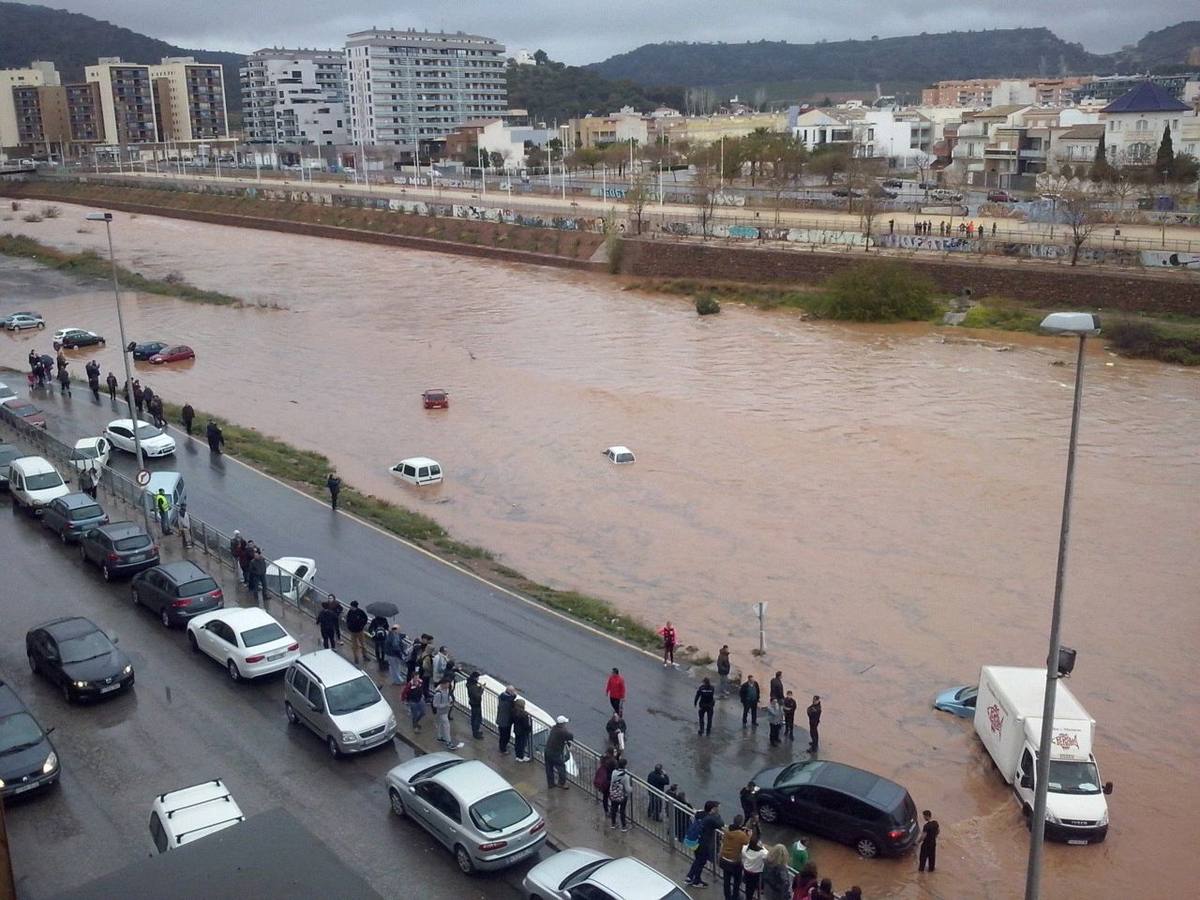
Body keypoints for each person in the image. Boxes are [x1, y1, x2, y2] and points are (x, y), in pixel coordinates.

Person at [684, 800, 722, 888]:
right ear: (712, 809)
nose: (718, 810)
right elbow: (721, 823)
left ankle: (692, 877)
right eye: (717, 808)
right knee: (701, 861)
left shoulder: (700, 813)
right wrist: (717, 815)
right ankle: (694, 879)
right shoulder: (711, 819)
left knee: (698, 860)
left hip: (696, 841)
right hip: (704, 843)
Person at [719, 815, 750, 900]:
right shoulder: (741, 835)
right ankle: (735, 896)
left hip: (724, 858)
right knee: (737, 880)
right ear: (741, 823)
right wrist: (748, 834)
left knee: (726, 880)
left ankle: (727, 897)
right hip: (734, 861)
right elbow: (747, 842)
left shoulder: (727, 829)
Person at [432, 679, 462, 749]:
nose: (449, 685)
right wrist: (446, 704)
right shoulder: (438, 693)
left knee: (440, 724)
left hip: (445, 711)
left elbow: (448, 696)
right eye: (447, 684)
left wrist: (450, 699)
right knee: (446, 726)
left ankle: (440, 736)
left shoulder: (447, 690)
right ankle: (449, 742)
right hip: (442, 712)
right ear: (443, 684)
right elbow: (435, 704)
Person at [544, 715, 573, 789]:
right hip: (555, 753)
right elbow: (570, 736)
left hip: (547, 750)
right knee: (561, 767)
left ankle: (551, 784)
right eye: (564, 723)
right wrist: (566, 730)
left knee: (549, 768)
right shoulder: (562, 731)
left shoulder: (554, 728)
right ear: (562, 724)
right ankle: (561, 783)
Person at [608, 757, 632, 832]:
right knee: (622, 810)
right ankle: (623, 826)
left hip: (613, 792)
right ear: (625, 765)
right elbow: (627, 788)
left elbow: (612, 782)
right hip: (622, 795)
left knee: (613, 808)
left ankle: (613, 824)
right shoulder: (626, 775)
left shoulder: (614, 772)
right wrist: (631, 789)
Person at [496, 684, 517, 754]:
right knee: (505, 736)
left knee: (503, 735)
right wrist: (514, 695)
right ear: (510, 692)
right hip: (505, 721)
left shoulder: (502, 696)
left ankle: (503, 746)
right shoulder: (508, 700)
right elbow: (512, 699)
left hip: (501, 719)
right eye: (513, 691)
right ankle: (503, 749)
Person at [593, 749, 615, 815]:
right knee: (612, 797)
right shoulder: (612, 761)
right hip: (610, 781)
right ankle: (612, 811)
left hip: (604, 782)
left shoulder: (603, 760)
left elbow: (601, 759)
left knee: (605, 797)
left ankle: (606, 811)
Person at [511, 697, 532, 762]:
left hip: (516, 729)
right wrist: (529, 728)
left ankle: (518, 756)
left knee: (517, 743)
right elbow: (526, 725)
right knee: (522, 744)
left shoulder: (513, 711)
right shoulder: (524, 714)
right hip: (523, 731)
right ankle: (521, 756)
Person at [465, 671, 484, 738]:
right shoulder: (473, 686)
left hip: (473, 703)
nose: (478, 679)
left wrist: (479, 688)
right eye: (478, 677)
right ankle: (476, 733)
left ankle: (476, 731)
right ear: (475, 678)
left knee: (475, 718)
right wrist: (481, 689)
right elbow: (477, 696)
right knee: (477, 719)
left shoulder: (470, 684)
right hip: (476, 704)